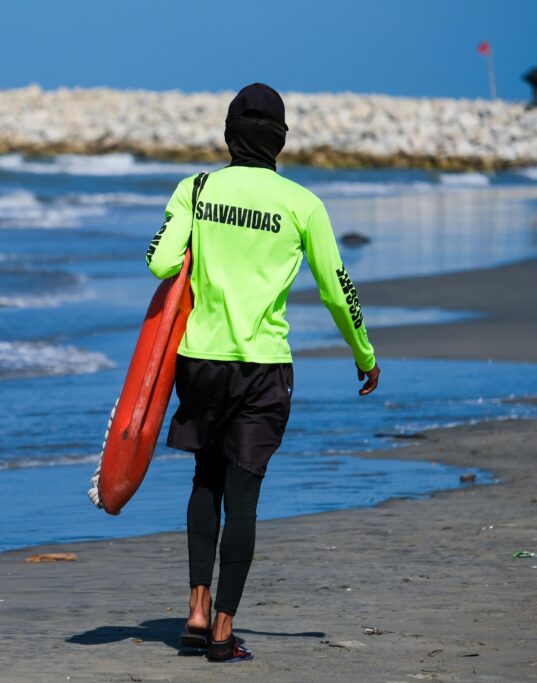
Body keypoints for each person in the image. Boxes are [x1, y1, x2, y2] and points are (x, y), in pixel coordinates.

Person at [145, 83, 380, 663]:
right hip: (264, 367)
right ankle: (223, 631)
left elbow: (161, 261)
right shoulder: (303, 205)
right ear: (280, 141)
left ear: (229, 134)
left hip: (201, 361)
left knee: (205, 480)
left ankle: (196, 610)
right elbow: (337, 289)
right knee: (243, 496)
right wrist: (364, 353)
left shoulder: (196, 189)